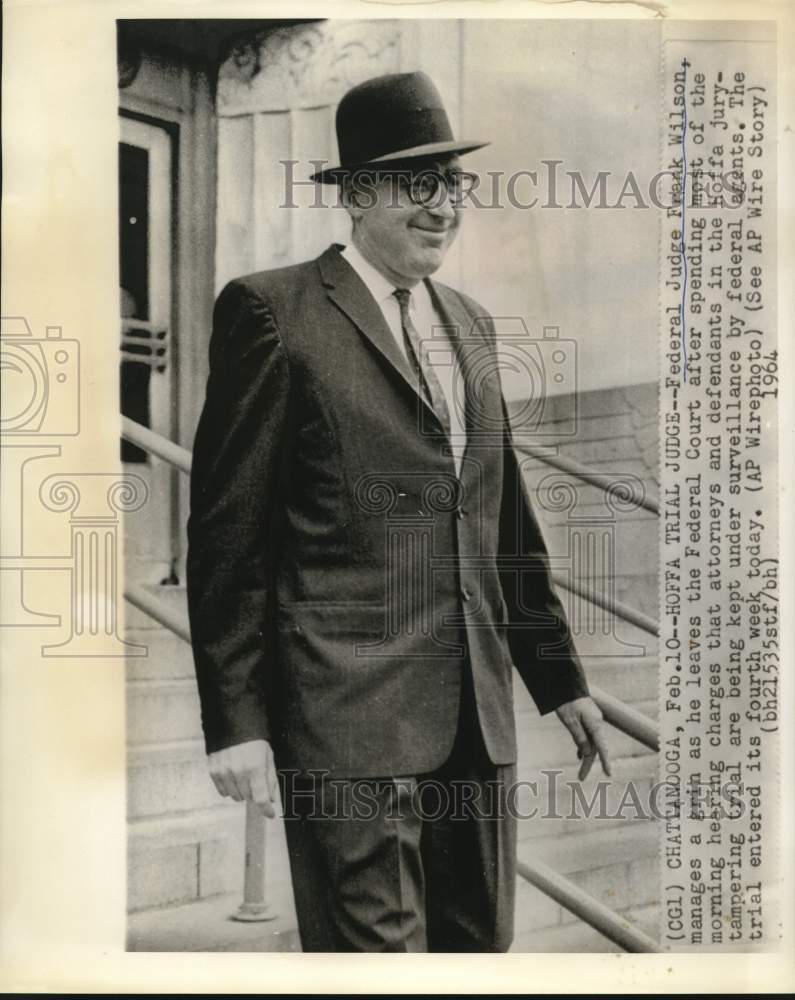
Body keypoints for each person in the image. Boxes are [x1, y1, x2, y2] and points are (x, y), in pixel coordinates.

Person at [186, 71, 610, 953]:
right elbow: (229, 534)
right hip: (344, 725)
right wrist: (236, 724)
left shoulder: (472, 323)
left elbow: (502, 523)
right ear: (355, 195)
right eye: (417, 183)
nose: (442, 206)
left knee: (477, 953)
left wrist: (559, 680)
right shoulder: (272, 313)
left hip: (476, 728)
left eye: (452, 184)